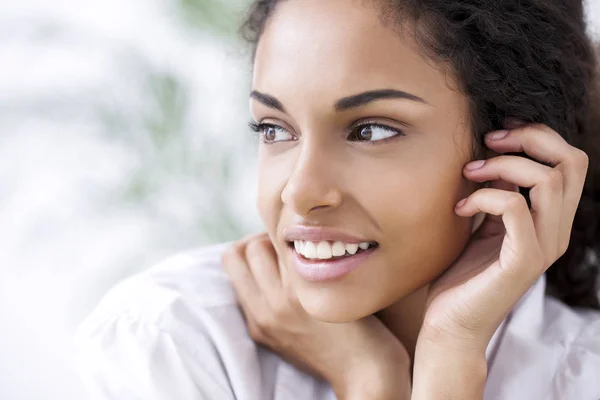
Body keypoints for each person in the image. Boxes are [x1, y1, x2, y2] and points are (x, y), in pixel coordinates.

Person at [73, 0, 600, 399]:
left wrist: (440, 362)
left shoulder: (582, 373)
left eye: (369, 131)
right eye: (274, 129)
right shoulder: (169, 339)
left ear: (511, 156)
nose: (299, 191)